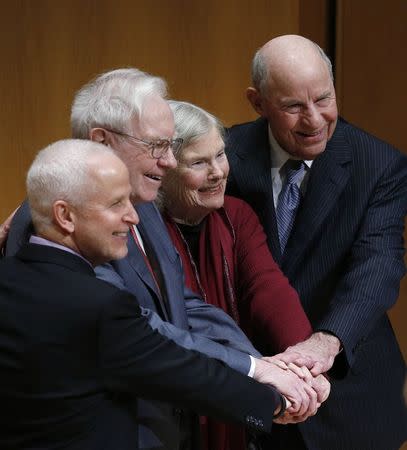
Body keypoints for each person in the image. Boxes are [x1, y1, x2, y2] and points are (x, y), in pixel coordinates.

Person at [5, 68, 320, 450]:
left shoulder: (144, 202)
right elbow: (144, 329)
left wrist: (262, 364)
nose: (170, 162)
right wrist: (259, 379)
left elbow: (183, 304)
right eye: (157, 146)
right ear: (102, 140)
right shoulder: (55, 224)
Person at [225, 34, 407, 450]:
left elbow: (377, 267)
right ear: (257, 103)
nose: (314, 119)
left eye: (324, 99)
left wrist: (325, 342)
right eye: (293, 107)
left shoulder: (378, 164)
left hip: (350, 396)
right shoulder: (225, 156)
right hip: (256, 395)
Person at [157, 99, 330, 450]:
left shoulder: (236, 215)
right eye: (199, 162)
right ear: (164, 169)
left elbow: (267, 289)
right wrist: (264, 372)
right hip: (168, 402)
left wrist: (304, 365)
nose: (218, 172)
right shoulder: (141, 228)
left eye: (220, 155)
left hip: (235, 391)